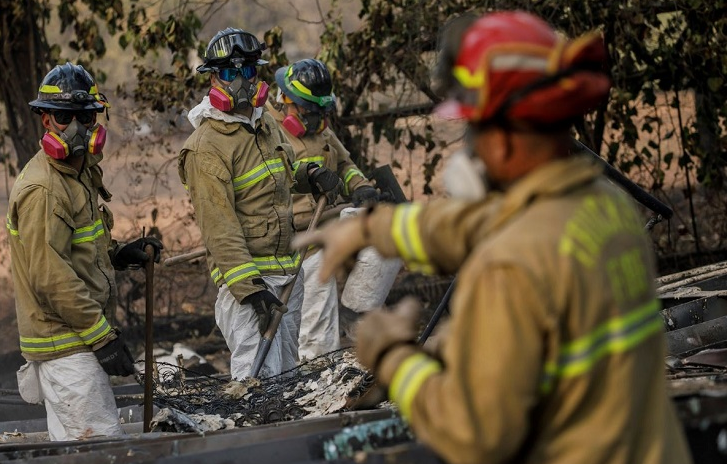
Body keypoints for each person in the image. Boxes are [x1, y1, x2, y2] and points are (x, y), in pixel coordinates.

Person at [293, 11, 691, 464]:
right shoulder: (604, 204)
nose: (469, 148)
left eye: (472, 131)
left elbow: (473, 433)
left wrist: (391, 358)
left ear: (502, 139)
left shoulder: (509, 266)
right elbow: (481, 224)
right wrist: (372, 229)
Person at [7, 62, 163, 441]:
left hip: (75, 339)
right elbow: (50, 277)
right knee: (103, 446)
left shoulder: (79, 173)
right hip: (66, 346)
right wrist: (103, 338)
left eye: (85, 115)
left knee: (75, 451)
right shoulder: (44, 189)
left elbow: (77, 249)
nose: (76, 127)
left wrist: (117, 253)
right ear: (46, 120)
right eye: (64, 117)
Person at [177, 28, 341, 380]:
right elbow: (220, 230)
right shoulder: (205, 147)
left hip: (286, 275)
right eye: (230, 72)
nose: (241, 81)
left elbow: (280, 174)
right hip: (249, 287)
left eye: (248, 71)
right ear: (213, 78)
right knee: (258, 382)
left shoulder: (264, 123)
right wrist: (251, 293)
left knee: (287, 377)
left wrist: (310, 175)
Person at [267, 58, 379, 359]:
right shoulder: (266, 129)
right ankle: (312, 375)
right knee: (302, 323)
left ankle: (319, 370)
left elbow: (344, 163)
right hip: (289, 241)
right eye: (308, 110)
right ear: (287, 100)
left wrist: (360, 185)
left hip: (321, 235)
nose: (314, 118)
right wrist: (311, 173)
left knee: (319, 316)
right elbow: (272, 174)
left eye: (319, 111)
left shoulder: (320, 130)